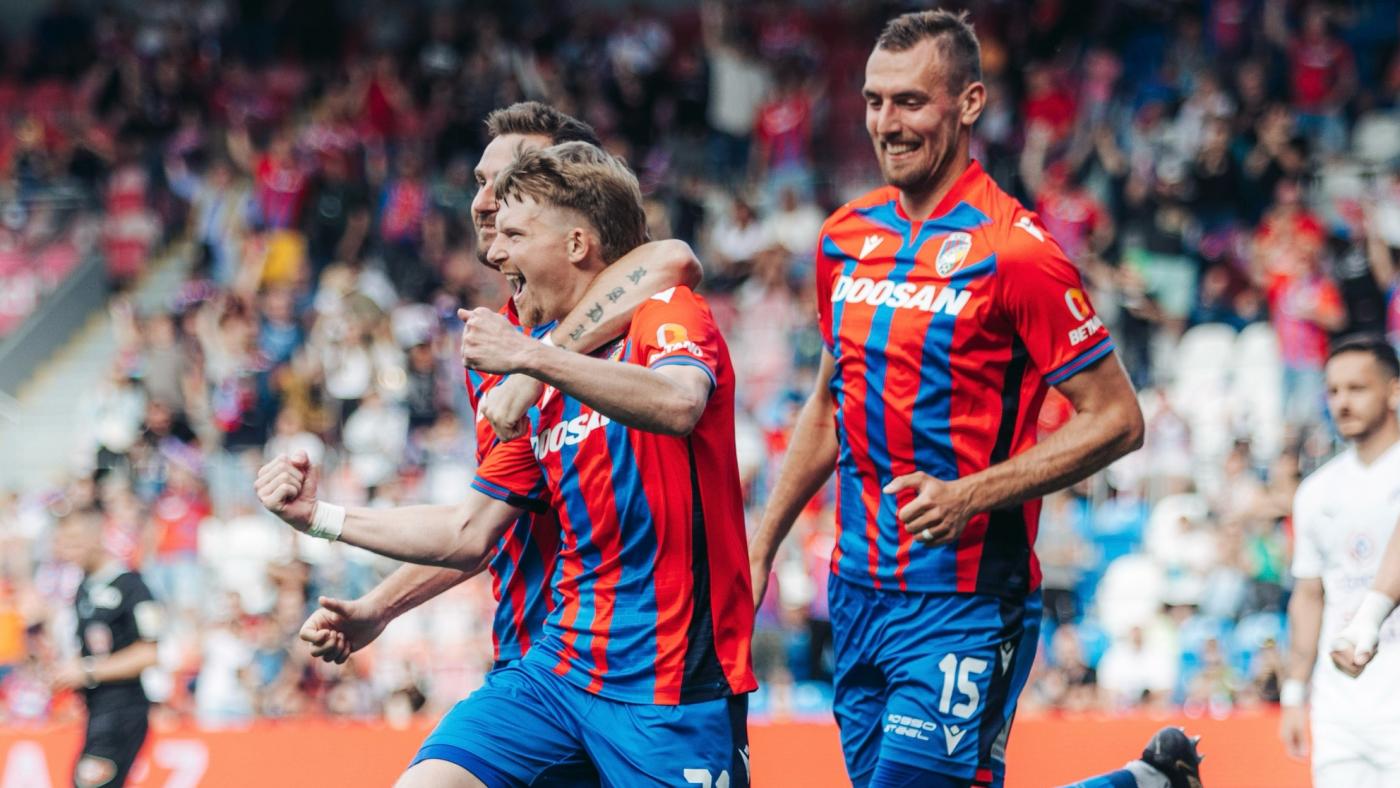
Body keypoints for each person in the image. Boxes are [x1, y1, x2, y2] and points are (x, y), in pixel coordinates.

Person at [744, 10, 1197, 788]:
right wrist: (761, 548)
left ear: (970, 104)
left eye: (911, 101)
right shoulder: (843, 237)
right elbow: (828, 405)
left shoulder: (1017, 251)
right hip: (855, 593)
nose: (887, 123)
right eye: (874, 100)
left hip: (965, 597)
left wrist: (969, 496)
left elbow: (1119, 419)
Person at [258, 144, 753, 786]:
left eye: (515, 235)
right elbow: (467, 530)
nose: (496, 252)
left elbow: (680, 401)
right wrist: (319, 517)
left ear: (576, 243)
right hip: (558, 669)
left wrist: (533, 361)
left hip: (672, 683)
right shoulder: (533, 373)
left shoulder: (662, 315)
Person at [1279, 336, 1400, 784]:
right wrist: (1295, 692)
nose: (1342, 403)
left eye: (1357, 388)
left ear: (1394, 390)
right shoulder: (1316, 492)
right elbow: (1309, 595)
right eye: (1333, 391)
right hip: (1340, 710)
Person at [50, 509, 162, 788]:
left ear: (95, 538)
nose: (65, 551)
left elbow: (149, 653)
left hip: (123, 709)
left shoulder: (132, 587)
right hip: (97, 709)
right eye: (62, 542)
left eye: (73, 542)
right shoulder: (84, 588)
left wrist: (87, 671)